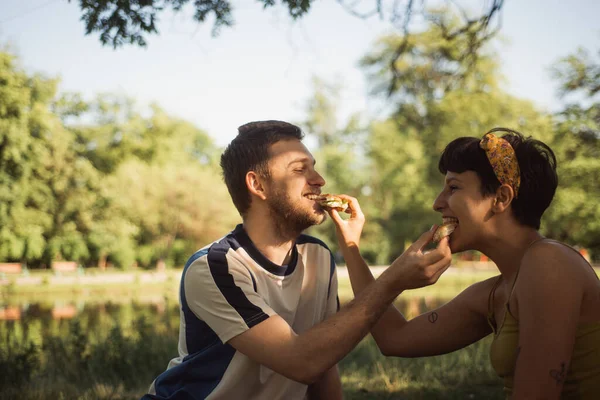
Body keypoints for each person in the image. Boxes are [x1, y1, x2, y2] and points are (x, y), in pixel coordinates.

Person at [142, 120, 452, 400]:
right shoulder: (216, 267)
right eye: (300, 169)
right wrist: (393, 279)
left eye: (313, 168)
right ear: (257, 185)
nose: (319, 180)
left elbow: (323, 360)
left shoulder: (317, 256)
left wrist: (353, 246)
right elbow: (302, 362)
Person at [330, 127, 600, 399]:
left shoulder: (549, 264)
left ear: (501, 198)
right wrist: (352, 248)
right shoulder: (495, 292)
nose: (437, 203)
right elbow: (394, 338)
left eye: (454, 187)